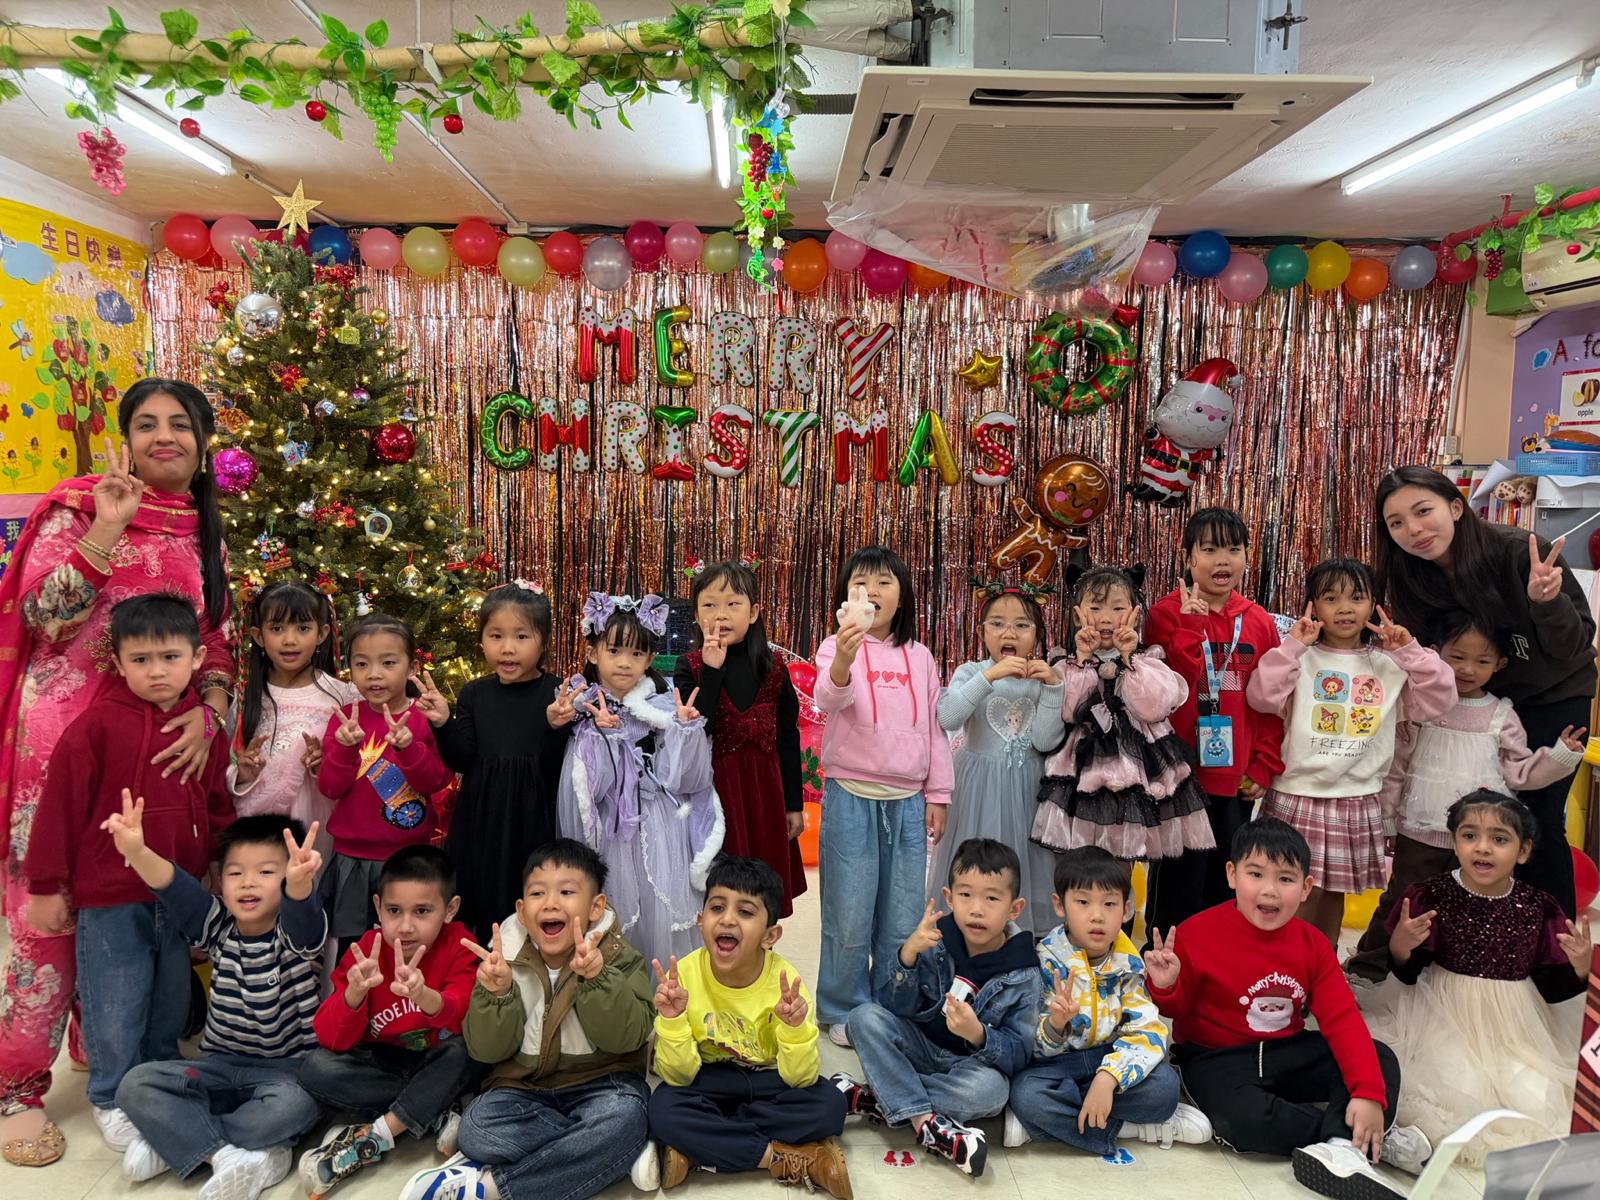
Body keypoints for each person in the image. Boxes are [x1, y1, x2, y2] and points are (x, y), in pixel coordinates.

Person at [0, 379, 237, 1167]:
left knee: (138, 904)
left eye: (180, 424)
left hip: (162, 747)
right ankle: (15, 1086)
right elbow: (44, 619)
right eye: (146, 424)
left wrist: (210, 710)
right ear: (126, 439)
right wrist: (105, 527)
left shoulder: (204, 532)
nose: (164, 436)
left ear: (203, 443)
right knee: (49, 910)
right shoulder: (78, 508)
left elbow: (218, 639)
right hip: (67, 739)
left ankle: (106, 1045)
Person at [22, 594, 236, 1152]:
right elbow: (58, 808)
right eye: (141, 659)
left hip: (179, 893)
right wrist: (44, 886)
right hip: (111, 895)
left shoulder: (203, 730)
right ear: (118, 662)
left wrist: (216, 864)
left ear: (197, 660)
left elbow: (216, 802)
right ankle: (111, 1094)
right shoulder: (95, 727)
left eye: (170, 657)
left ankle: (158, 1082)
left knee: (169, 997)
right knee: (116, 999)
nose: (156, 671)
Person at [1147, 819, 1430, 1200]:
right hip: (1215, 1058)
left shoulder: (1313, 944)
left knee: (1378, 1058)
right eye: (1255, 874)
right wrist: (1166, 986)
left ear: (1306, 888)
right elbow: (1178, 1010)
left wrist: (1367, 1094)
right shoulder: (1195, 933)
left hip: (1286, 1051)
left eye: (1285, 879)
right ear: (1231, 875)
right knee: (1242, 1121)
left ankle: (1347, 1147)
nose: (1270, 890)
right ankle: (1358, 1139)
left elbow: (1342, 1020)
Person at [1376, 464, 1598, 915]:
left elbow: (1574, 646)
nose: (1413, 529)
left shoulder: (1518, 553)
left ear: (1456, 508)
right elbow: (1426, 661)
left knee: (1533, 821)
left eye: (1423, 511)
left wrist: (1545, 602)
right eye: (1396, 522)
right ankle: (1475, 928)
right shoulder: (1411, 577)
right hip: (1473, 703)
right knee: (1473, 822)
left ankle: (1550, 938)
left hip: (1553, 696)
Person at [398, 838, 655, 1200]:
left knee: (627, 1116)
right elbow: (486, 1051)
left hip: (602, 1085)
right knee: (476, 1129)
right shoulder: (501, 960)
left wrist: (598, 979)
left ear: (596, 907)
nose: (550, 903)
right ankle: (607, 1155)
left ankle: (489, 1188)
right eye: (537, 893)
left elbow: (627, 1038)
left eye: (567, 892)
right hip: (523, 1089)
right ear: (521, 910)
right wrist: (497, 994)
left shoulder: (618, 956)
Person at [1347, 614, 1586, 983]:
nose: (1468, 669)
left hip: (1481, 839)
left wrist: (1560, 756)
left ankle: (1441, 974)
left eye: (1482, 660)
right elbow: (1397, 765)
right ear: (1435, 653)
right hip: (1421, 830)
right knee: (1403, 901)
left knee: (1467, 908)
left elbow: (1519, 773)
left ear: (1500, 664)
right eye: (1457, 657)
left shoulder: (1501, 715)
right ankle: (1370, 966)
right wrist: (1388, 817)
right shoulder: (1422, 706)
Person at [1362, 791, 1592, 1164]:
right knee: (1451, 1085)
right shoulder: (1431, 895)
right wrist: (1401, 945)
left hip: (1514, 1026)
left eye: (1499, 839)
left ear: (1523, 850)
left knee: (1536, 1095)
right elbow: (1407, 971)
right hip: (1443, 1014)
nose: (1482, 848)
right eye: (1470, 836)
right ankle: (1412, 1143)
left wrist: (1580, 967)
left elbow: (1553, 988)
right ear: (1455, 843)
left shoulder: (1540, 907)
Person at [113, 810, 327, 1200]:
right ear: (221, 880)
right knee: (135, 1083)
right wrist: (138, 851)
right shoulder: (218, 927)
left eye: (266, 872)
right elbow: (178, 890)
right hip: (217, 1067)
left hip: (286, 1073)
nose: (248, 882)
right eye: (235, 873)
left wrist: (299, 885)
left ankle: (180, 1139)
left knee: (295, 1107)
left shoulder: (295, 937)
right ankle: (230, 1153)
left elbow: (304, 916)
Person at [1245, 559, 1456, 943]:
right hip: (1298, 793)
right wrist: (1293, 646)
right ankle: (1288, 963)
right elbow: (1261, 696)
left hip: (1356, 796)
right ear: (1313, 605)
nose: (1345, 608)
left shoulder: (1390, 664)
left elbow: (1441, 699)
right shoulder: (1301, 657)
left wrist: (1410, 651)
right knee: (1294, 890)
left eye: (1356, 598)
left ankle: (1323, 964)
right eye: (1331, 598)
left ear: (1374, 604)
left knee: (1333, 894)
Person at [812, 547, 953, 1047]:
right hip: (850, 795)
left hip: (908, 801)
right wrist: (845, 657)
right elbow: (827, 699)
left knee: (902, 913)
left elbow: (935, 728)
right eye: (861, 582)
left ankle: (893, 1002)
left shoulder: (920, 656)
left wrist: (938, 793)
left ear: (902, 596)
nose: (872, 591)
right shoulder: (836, 645)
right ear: (844, 595)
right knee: (848, 912)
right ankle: (843, 1008)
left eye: (884, 582)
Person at [646, 855, 851, 1197]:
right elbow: (678, 1076)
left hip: (770, 1079)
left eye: (745, 911)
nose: (727, 919)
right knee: (662, 1109)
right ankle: (783, 1157)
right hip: (709, 1079)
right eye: (717, 907)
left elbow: (799, 1078)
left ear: (770, 935)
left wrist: (794, 1029)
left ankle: (702, 1150)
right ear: (701, 921)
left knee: (831, 1105)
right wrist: (673, 1020)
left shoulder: (785, 983)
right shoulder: (683, 977)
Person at [837, 839, 1039, 1178]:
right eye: (965, 895)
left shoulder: (1024, 972)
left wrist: (979, 1035)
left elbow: (1020, 1054)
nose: (977, 909)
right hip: (919, 1046)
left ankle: (878, 1095)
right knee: (862, 1018)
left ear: (1014, 909)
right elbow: (892, 1007)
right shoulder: (935, 939)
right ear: (949, 897)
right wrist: (907, 956)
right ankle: (925, 1122)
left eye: (992, 898)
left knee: (992, 1093)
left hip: (968, 1066)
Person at [297, 845, 483, 1197]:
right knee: (315, 1068)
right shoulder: (367, 949)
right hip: (382, 1064)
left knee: (466, 1052)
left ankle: (375, 1137)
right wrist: (353, 994)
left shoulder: (460, 944)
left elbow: (464, 1015)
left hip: (438, 1057)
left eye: (422, 911)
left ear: (450, 909)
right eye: (394, 911)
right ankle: (433, 1107)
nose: (406, 926)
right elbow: (330, 1038)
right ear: (378, 906)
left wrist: (424, 995)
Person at [1004, 846, 1211, 1155]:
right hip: (1058, 1066)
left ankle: (1050, 1125)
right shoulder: (1043, 959)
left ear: (1126, 910)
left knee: (1165, 1089)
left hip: (1111, 1057)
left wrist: (1109, 1077)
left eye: (1109, 903)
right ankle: (1127, 1128)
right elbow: (1027, 1045)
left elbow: (1148, 1032)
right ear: (1059, 905)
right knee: (1025, 1094)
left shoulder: (1129, 963)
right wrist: (1055, 1026)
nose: (1097, 916)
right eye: (1083, 902)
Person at [556, 592, 723, 968]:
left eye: (636, 653)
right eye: (614, 650)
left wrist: (685, 731)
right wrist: (604, 738)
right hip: (612, 829)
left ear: (649, 659)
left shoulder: (660, 707)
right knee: (614, 906)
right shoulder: (582, 708)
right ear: (593, 652)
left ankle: (667, 990)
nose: (624, 662)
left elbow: (682, 779)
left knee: (662, 908)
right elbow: (587, 790)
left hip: (660, 824)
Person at [1145, 507, 1285, 932]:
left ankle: (1216, 959)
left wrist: (1264, 763)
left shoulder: (1259, 621)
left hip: (1235, 778)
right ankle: (1164, 961)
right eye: (1209, 550)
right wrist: (1190, 626)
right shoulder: (1164, 614)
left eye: (1233, 549)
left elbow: (1272, 703)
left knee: (1226, 885)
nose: (1222, 560)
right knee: (1176, 885)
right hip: (1179, 778)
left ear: (1247, 556)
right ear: (1188, 558)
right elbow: (1164, 693)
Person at [415, 581, 576, 941]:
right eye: (496, 636)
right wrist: (443, 722)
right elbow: (462, 758)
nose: (507, 648)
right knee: (480, 902)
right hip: (481, 819)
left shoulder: (556, 694)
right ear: (482, 641)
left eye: (521, 636)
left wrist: (555, 727)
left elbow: (556, 769)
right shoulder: (475, 693)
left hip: (533, 821)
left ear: (543, 642)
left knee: (531, 901)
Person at [1032, 567, 1213, 862]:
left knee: (1129, 853)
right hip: (1085, 768)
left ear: (1134, 614)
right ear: (1077, 616)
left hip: (1141, 766)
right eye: (1095, 608)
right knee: (1083, 858)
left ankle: (1124, 893)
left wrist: (1129, 660)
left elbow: (1154, 707)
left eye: (1118, 608)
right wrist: (1081, 660)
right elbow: (1069, 711)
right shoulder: (1066, 663)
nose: (1106, 618)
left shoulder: (1147, 660)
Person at [674, 560, 808, 917]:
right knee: (720, 893)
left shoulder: (773, 667)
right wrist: (712, 669)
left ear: (753, 612)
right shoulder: (689, 667)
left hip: (765, 795)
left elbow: (788, 736)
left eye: (733, 603)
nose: (721, 614)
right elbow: (697, 729)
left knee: (762, 896)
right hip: (716, 797)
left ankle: (763, 947)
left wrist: (793, 804)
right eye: (709, 604)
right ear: (696, 614)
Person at [929, 581, 1064, 934]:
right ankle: (971, 932)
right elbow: (948, 717)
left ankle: (1020, 937)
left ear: (1037, 634)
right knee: (978, 863)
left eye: (1022, 625)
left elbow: (1045, 741)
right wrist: (988, 676)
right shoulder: (971, 672)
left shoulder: (1041, 678)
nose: (1010, 632)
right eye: (998, 624)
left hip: (1028, 788)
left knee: (1026, 862)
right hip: (978, 788)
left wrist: (1054, 688)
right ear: (982, 632)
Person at [317, 614, 455, 954]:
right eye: (361, 664)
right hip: (352, 858)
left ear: (411, 667)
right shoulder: (346, 719)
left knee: (410, 947)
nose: (374, 674)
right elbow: (330, 788)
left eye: (388, 663)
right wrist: (345, 749)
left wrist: (409, 749)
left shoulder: (423, 718)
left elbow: (436, 781)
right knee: (354, 950)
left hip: (409, 857)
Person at [230, 580, 357, 860]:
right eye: (277, 629)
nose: (290, 640)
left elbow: (357, 762)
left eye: (302, 628)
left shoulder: (342, 696)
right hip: (258, 825)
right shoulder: (243, 698)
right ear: (258, 636)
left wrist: (324, 763)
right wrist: (242, 774)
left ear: (322, 633)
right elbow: (225, 763)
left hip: (316, 818)